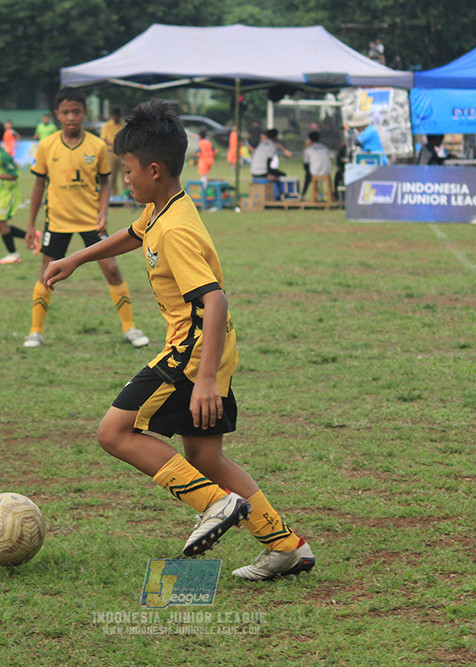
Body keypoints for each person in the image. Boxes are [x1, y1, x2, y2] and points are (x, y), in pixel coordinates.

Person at [41, 100, 316, 580]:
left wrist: (205, 378)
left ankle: (214, 505)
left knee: (114, 432)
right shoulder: (163, 208)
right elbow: (131, 233)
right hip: (211, 350)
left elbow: (215, 302)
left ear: (153, 169)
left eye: (127, 172)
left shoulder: (175, 231)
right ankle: (286, 545)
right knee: (204, 455)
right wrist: (78, 259)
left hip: (192, 354)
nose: (123, 179)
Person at [23, 88, 148, 349]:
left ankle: (130, 328)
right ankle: (35, 331)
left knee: (111, 268)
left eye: (76, 112)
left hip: (91, 220)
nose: (71, 117)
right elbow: (38, 187)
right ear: (57, 114)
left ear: (84, 113)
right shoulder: (47, 146)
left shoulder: (96, 146)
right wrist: (31, 224)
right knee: (47, 272)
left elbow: (105, 183)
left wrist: (104, 212)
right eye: (65, 112)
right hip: (57, 220)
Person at [0, 121, 32, 265]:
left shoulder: (3, 155)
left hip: (8, 193)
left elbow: (14, 175)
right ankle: (31, 238)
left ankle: (13, 254)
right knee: (0, 225)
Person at [100, 108, 125, 196]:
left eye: (117, 116)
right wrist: (114, 144)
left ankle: (127, 197)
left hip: (122, 153)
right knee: (111, 177)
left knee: (125, 176)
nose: (115, 118)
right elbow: (104, 139)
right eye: (113, 116)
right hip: (111, 152)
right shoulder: (107, 125)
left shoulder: (124, 125)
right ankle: (112, 198)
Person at [302, 131, 333, 201]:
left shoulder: (308, 150)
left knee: (307, 174)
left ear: (309, 139)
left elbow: (305, 165)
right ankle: (330, 195)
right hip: (327, 171)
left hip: (315, 172)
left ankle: (303, 195)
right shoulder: (325, 148)